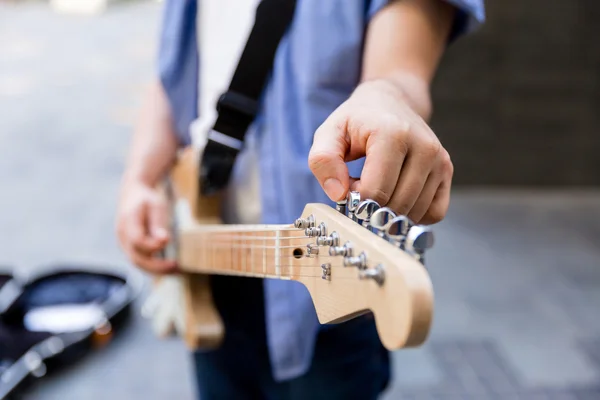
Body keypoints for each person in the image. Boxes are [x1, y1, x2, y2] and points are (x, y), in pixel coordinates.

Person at [116, 0, 485, 398]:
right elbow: (171, 75)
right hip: (208, 275)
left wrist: (387, 96)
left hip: (324, 287)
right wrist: (140, 180)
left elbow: (401, 72)